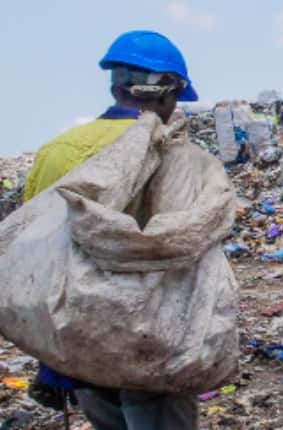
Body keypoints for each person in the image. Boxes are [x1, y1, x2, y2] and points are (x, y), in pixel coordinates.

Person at [23, 30, 202, 430]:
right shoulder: (175, 152)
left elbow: (40, 252)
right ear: (165, 91)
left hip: (83, 341)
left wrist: (49, 358)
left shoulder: (57, 152)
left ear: (115, 85)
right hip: (152, 340)